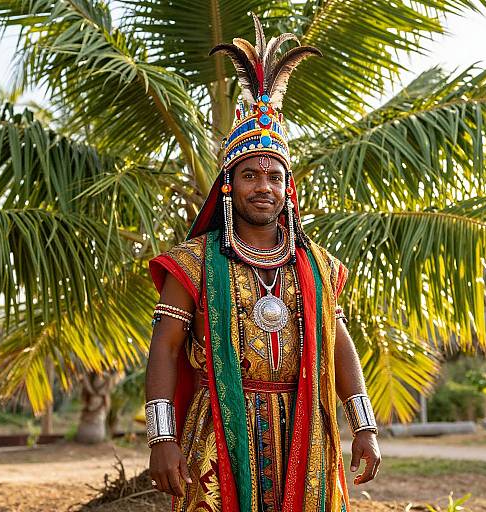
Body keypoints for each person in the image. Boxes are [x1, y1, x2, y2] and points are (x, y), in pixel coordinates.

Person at [145, 14, 381, 512]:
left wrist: (364, 425)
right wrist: (160, 438)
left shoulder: (315, 264)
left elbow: (340, 343)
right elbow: (165, 349)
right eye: (250, 175)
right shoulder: (194, 263)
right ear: (230, 185)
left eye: (274, 176)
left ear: (286, 188)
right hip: (217, 433)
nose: (263, 186)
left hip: (304, 427)